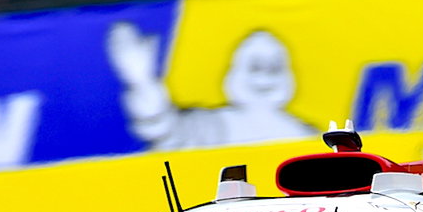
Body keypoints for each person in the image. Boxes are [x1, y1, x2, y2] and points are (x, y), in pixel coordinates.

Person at [107, 23, 313, 149]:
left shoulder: (306, 135)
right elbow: (164, 131)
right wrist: (142, 82)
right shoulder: (215, 125)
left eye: (274, 67)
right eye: (254, 66)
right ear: (235, 71)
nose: (263, 77)